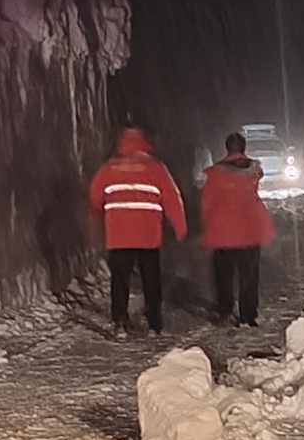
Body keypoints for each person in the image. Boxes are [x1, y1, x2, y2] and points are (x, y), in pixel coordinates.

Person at [88, 125, 185, 332]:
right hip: (148, 235)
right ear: (144, 143)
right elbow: (172, 198)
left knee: (120, 279)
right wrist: (179, 227)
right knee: (151, 278)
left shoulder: (109, 169)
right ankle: (154, 322)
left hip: (118, 236)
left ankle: (120, 321)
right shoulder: (156, 168)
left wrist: (97, 221)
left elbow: (94, 198)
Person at [198, 130, 271, 326]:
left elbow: (207, 202)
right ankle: (248, 314)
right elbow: (257, 178)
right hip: (250, 228)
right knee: (249, 274)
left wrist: (206, 224)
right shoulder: (253, 171)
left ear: (227, 147)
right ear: (244, 147)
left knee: (223, 274)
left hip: (223, 230)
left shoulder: (215, 173)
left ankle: (225, 310)